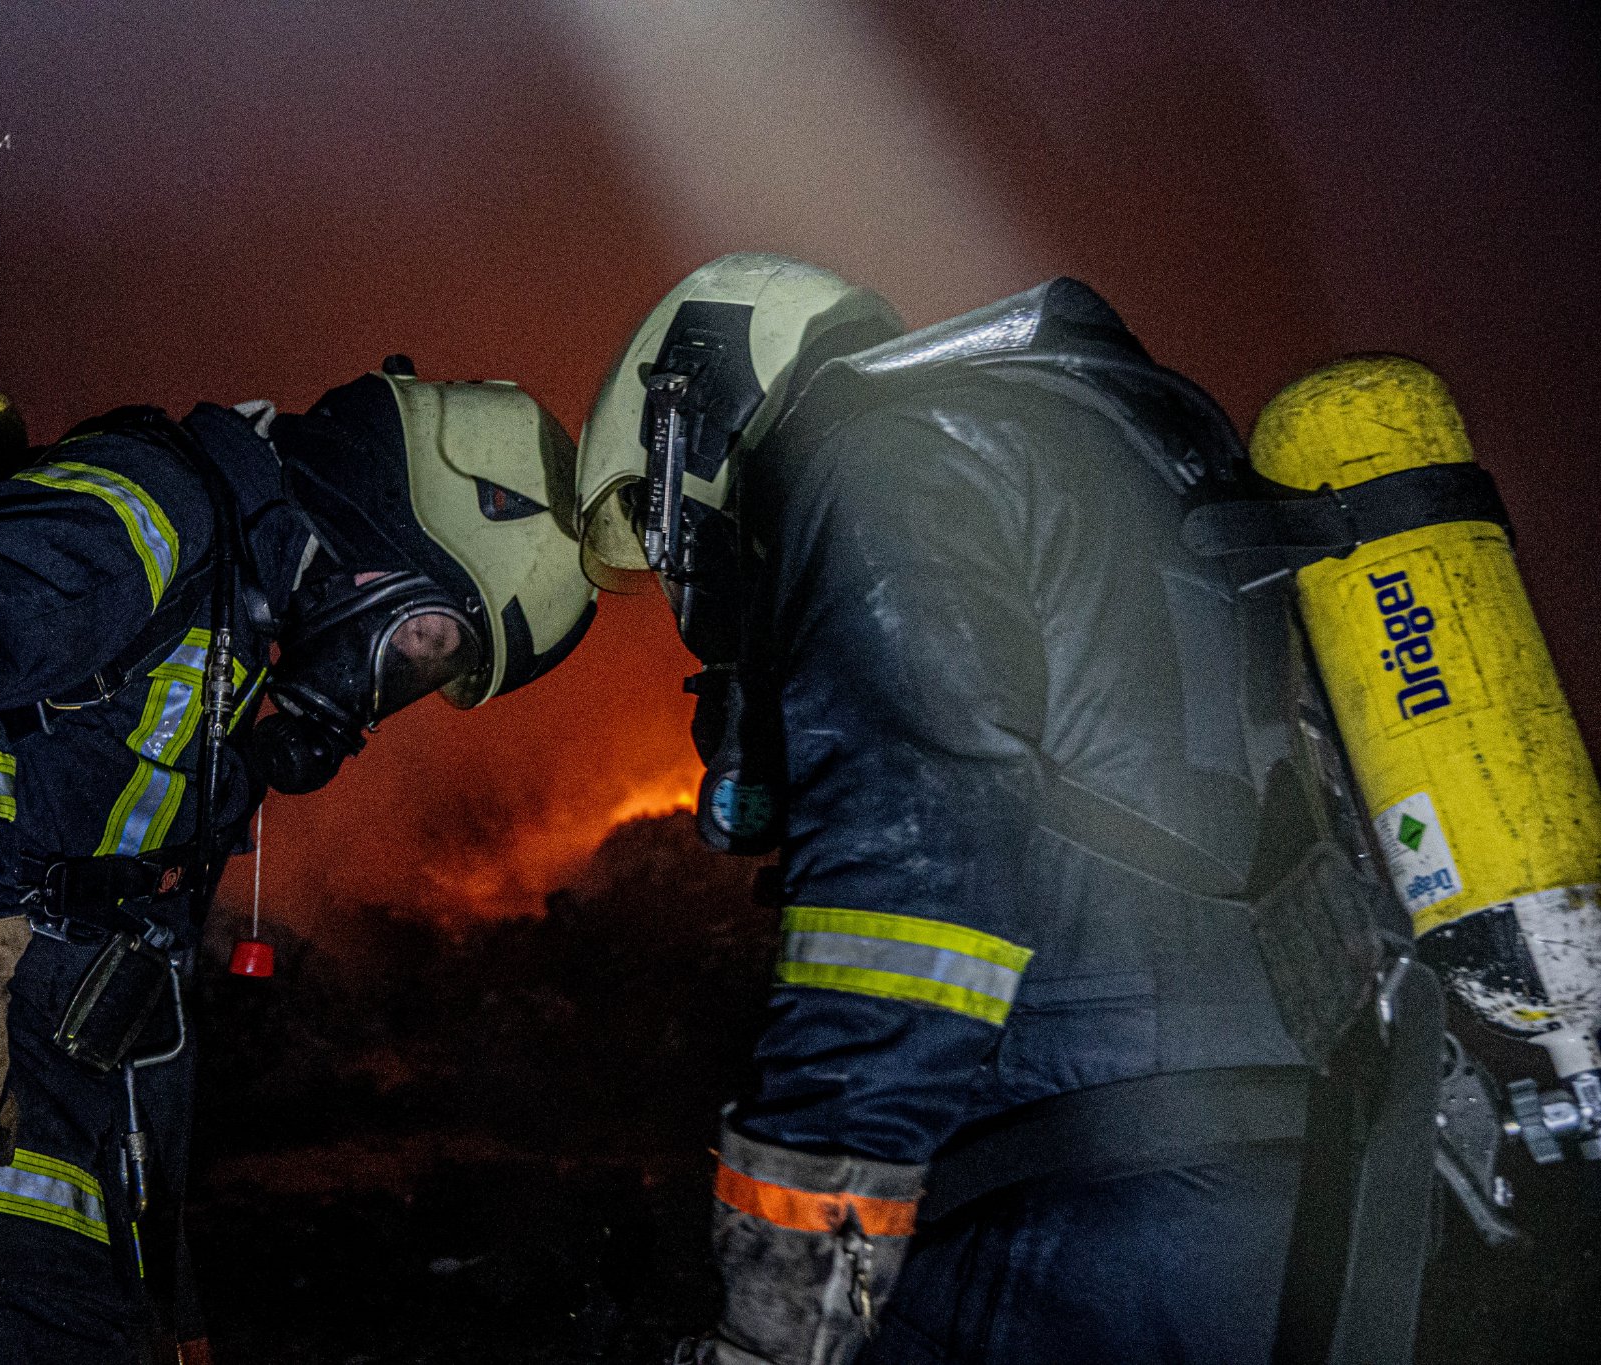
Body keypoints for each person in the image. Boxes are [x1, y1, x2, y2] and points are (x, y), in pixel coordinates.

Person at [572, 255, 1417, 1364]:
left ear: (693, 414)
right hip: (1296, 1181)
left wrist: (783, 1308)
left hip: (1072, 1190)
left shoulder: (886, 459)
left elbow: (904, 896)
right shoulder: (1118, 444)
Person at [0, 356, 595, 1361]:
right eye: (428, 641)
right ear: (401, 525)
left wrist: (166, 1308)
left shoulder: (228, 618)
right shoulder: (164, 501)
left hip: (42, 1140)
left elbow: (135, 982)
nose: (385, 691)